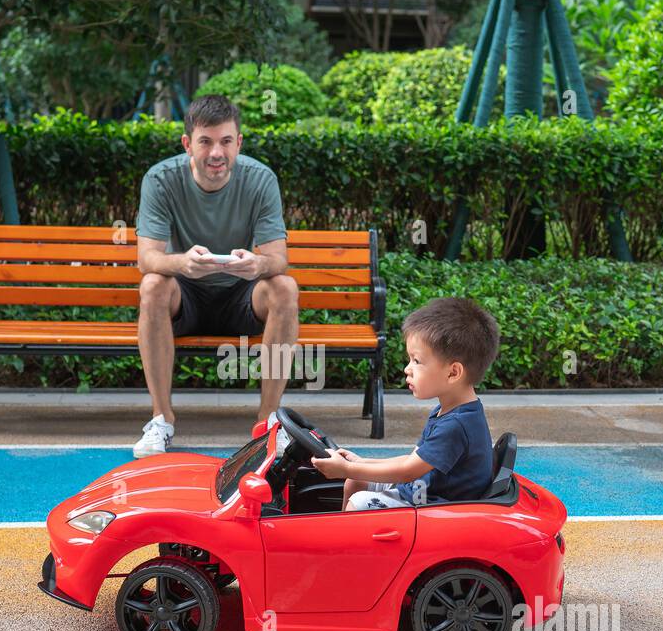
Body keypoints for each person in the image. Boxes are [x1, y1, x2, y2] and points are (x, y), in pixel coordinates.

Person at [132, 94, 299, 458]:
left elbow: (278, 259)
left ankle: (268, 422)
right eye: (205, 141)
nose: (216, 153)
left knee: (284, 287)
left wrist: (257, 265)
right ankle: (161, 419)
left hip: (241, 296)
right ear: (187, 143)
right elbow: (147, 258)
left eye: (226, 141)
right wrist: (181, 264)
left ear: (238, 143)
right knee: (153, 285)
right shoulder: (160, 179)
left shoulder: (260, 179)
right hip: (185, 298)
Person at [310, 298, 500, 509]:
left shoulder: (456, 426)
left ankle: (349, 541)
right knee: (357, 481)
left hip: (437, 505)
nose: (407, 369)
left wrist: (345, 469)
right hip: (425, 490)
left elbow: (408, 471)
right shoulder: (449, 411)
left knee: (358, 502)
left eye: (416, 361)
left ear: (453, 372)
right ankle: (342, 539)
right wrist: (358, 463)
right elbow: (413, 460)